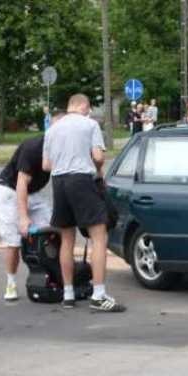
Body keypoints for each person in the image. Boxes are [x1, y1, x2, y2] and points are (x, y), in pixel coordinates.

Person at [42, 93, 125, 312]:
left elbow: (46, 165)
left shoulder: (52, 130)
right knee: (99, 236)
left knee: (67, 239)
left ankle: (68, 294)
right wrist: (94, 167)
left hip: (59, 182)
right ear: (83, 106)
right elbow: (98, 157)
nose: (88, 112)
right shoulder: (89, 125)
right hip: (81, 180)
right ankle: (98, 295)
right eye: (88, 109)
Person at [0, 120, 58, 300]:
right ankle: (11, 283)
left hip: (35, 193)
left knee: (53, 232)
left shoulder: (62, 146)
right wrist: (23, 217)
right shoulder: (32, 147)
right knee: (13, 241)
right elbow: (21, 183)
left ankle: (52, 277)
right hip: (11, 190)